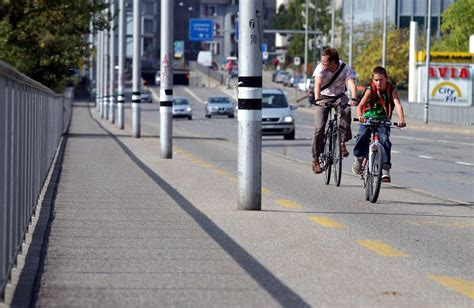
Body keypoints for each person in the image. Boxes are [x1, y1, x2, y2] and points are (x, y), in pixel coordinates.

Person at [352, 66, 406, 183]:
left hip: (383, 119)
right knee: (362, 135)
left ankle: (385, 169)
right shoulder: (370, 89)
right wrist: (360, 116)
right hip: (367, 118)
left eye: (381, 80)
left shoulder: (391, 89)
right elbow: (360, 105)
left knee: (385, 139)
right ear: (372, 80)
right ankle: (359, 158)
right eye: (376, 80)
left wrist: (401, 119)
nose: (378, 82)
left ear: (386, 79)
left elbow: (397, 104)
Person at [311, 48, 358, 174]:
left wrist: (354, 98)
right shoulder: (321, 68)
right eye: (323, 62)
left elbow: (351, 84)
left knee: (346, 111)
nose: (323, 65)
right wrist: (317, 99)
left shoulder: (345, 68)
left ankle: (342, 141)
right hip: (323, 96)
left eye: (326, 63)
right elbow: (317, 84)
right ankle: (315, 160)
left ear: (334, 62)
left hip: (339, 96)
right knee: (319, 127)